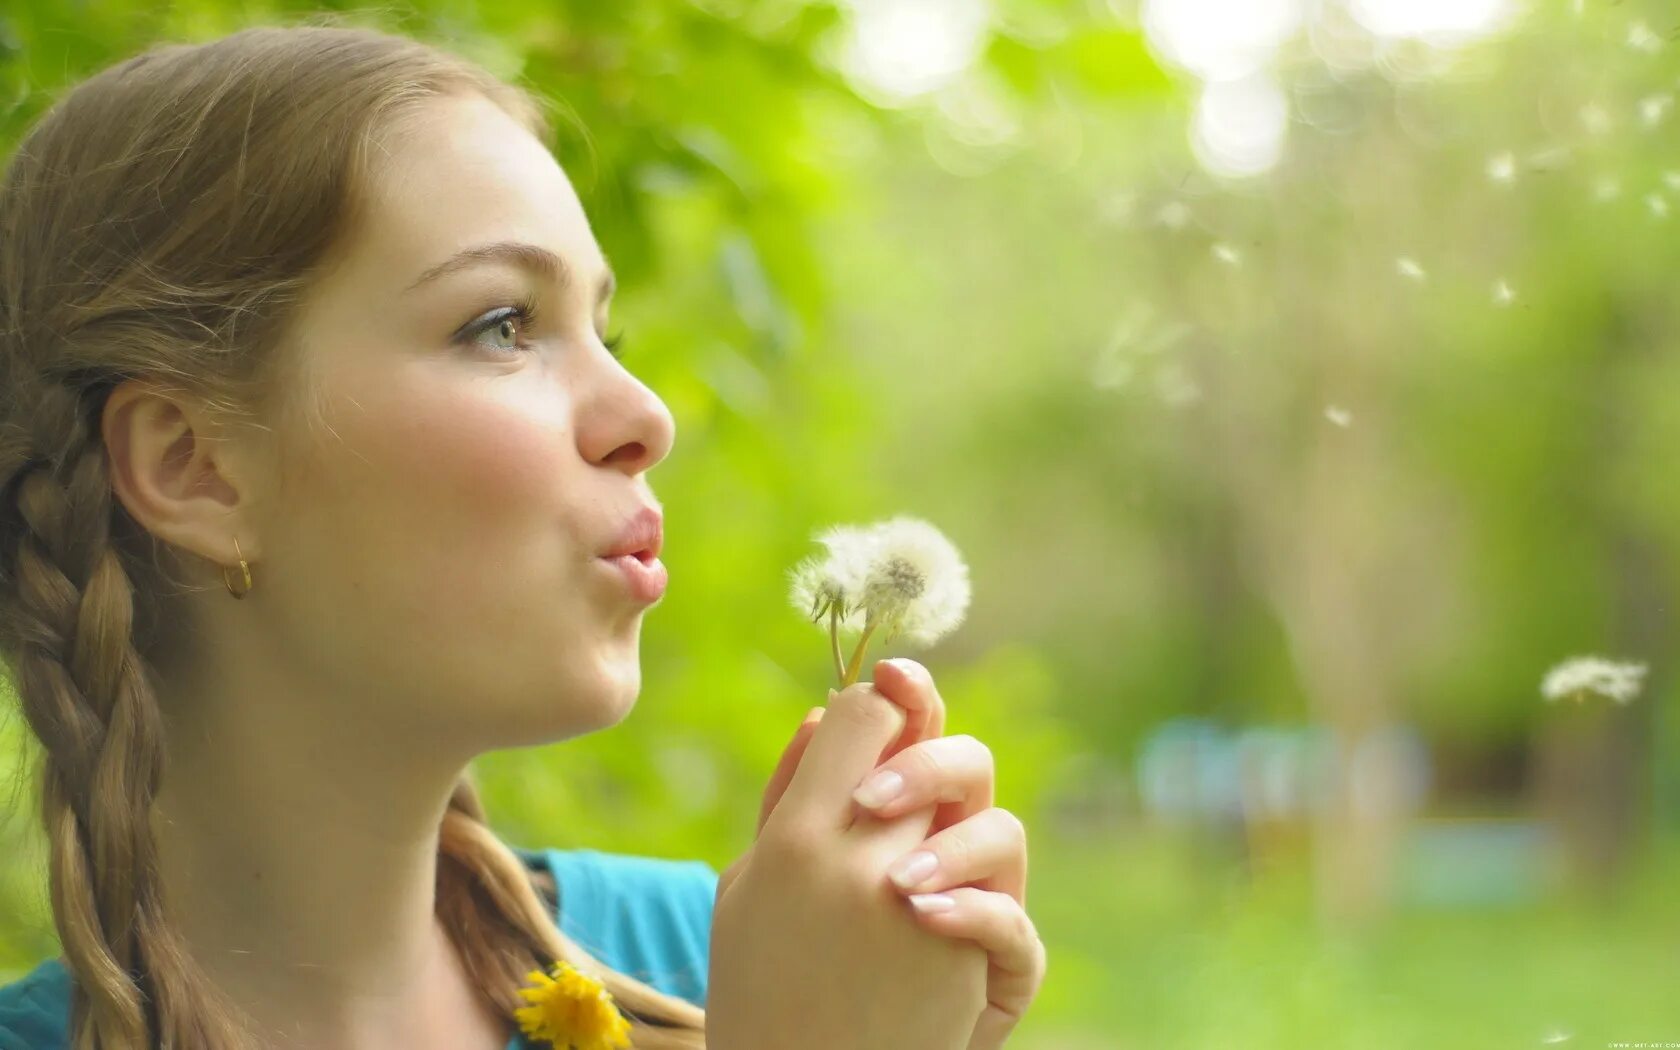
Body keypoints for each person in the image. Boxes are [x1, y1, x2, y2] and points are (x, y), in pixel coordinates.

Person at [0, 20, 1043, 1050]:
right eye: (502, 326)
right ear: (194, 464)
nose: (646, 415)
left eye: (606, 329)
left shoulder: (715, 958)